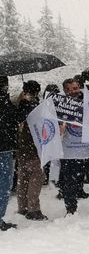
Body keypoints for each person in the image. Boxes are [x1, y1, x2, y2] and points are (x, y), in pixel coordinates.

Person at [59, 78, 89, 215]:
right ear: (65, 90)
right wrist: (58, 128)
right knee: (69, 183)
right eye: (69, 89)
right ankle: (70, 210)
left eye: (75, 88)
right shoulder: (59, 105)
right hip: (70, 151)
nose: (73, 91)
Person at [15, 80, 48, 220]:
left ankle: (22, 206)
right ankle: (33, 209)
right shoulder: (35, 107)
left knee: (23, 178)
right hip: (33, 147)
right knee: (36, 178)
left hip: (21, 147)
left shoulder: (17, 103)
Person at [0, 76, 19, 231]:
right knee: (4, 185)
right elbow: (14, 120)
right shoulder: (6, 104)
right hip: (4, 148)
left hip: (6, 147)